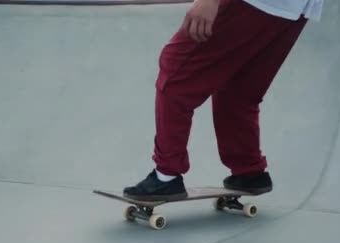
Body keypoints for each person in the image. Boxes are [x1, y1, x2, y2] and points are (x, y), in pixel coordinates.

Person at [124, 0, 324, 201]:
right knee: (240, 90)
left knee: (176, 77)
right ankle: (249, 172)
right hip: (295, 9)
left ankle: (166, 176)